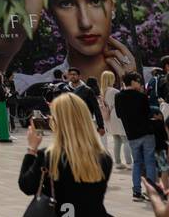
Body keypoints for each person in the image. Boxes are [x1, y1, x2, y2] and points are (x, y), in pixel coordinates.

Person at [18, 93, 127, 217]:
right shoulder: (103, 158)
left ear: (58, 121)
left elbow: (26, 186)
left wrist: (31, 150)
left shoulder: (49, 157)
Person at [114, 71, 158, 202]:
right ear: (132, 82)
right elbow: (148, 113)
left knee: (137, 163)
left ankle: (136, 192)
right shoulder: (141, 96)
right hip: (147, 132)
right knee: (150, 162)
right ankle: (150, 192)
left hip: (132, 134)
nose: (139, 84)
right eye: (138, 81)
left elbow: (119, 115)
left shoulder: (118, 96)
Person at [100, 70, 131, 167]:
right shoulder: (114, 91)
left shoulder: (103, 91)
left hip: (109, 116)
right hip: (117, 115)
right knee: (126, 139)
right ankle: (129, 162)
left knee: (117, 140)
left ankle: (117, 162)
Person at [66, 68, 105, 133]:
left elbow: (96, 108)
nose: (72, 76)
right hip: (70, 123)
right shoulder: (65, 89)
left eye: (74, 74)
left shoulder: (87, 90)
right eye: (70, 74)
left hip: (85, 121)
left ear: (79, 76)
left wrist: (100, 126)